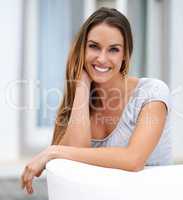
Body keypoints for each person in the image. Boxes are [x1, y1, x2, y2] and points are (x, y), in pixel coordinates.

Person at [21, 7, 172, 194]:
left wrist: (53, 151)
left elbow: (133, 160)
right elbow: (75, 159)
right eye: (94, 46)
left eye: (113, 50)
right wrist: (82, 82)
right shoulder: (79, 101)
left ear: (125, 55)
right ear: (82, 49)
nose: (102, 58)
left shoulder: (151, 93)